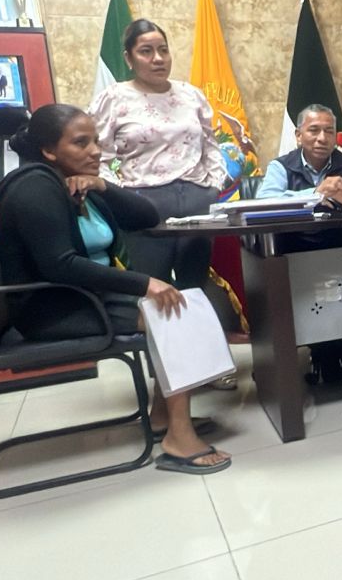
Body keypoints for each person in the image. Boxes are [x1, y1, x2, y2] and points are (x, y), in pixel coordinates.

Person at [0, 103, 231, 474]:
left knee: (181, 305)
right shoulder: (34, 189)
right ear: (49, 150)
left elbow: (146, 216)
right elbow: (60, 265)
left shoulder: (72, 182)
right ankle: (179, 438)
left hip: (88, 298)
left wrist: (101, 184)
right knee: (176, 315)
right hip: (53, 309)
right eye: (80, 143)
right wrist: (144, 283)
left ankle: (163, 418)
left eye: (95, 141)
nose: (94, 151)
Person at [90, 19, 237, 388]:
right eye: (146, 51)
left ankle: (206, 369)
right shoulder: (114, 98)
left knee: (195, 286)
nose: (157, 58)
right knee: (155, 292)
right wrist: (122, 195)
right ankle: (169, 379)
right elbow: (98, 155)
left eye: (163, 50)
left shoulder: (191, 95)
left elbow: (211, 145)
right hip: (144, 205)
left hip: (196, 199)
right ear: (129, 58)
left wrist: (212, 186)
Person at [257, 103, 342, 384]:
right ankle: (324, 352)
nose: (322, 138)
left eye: (329, 131)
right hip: (299, 250)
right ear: (298, 135)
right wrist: (315, 193)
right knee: (316, 300)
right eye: (314, 130)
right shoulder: (281, 166)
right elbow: (264, 201)